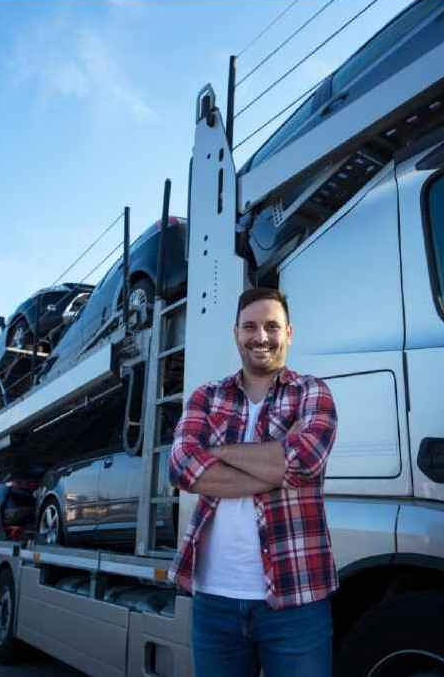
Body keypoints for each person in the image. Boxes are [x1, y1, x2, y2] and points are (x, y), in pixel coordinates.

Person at [168, 287, 338, 677]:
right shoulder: (206, 396)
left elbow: (305, 460)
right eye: (250, 326)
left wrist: (216, 450)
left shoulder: (312, 392)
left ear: (289, 333)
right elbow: (181, 468)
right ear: (235, 333)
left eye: (271, 326)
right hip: (214, 600)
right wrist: (276, 460)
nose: (261, 337)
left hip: (297, 598)